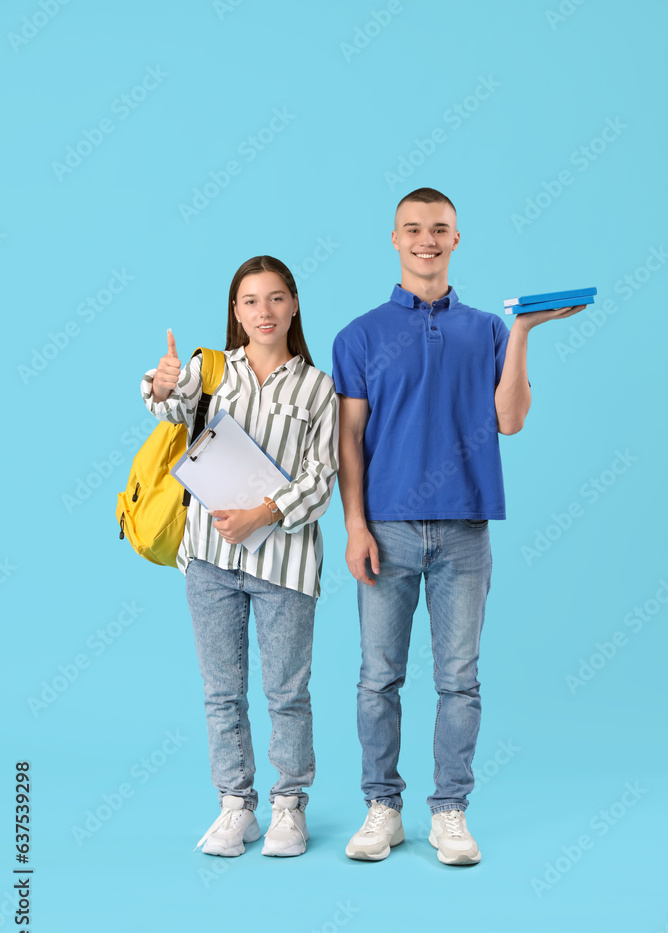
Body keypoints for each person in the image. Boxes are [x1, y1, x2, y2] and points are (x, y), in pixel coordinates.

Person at [332, 187, 587, 865]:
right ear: (394, 239)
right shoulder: (358, 335)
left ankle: (450, 813)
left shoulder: (488, 329)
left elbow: (511, 420)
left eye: (439, 229)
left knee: (459, 681)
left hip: (465, 531)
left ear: (456, 239)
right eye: (413, 229)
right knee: (377, 678)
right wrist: (354, 525)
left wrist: (525, 333)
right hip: (385, 528)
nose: (426, 239)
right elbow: (348, 440)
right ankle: (381, 807)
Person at [141, 255, 339, 858]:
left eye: (276, 299)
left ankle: (288, 807)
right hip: (209, 558)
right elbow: (169, 408)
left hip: (285, 564)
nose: (264, 312)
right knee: (221, 691)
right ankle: (235, 807)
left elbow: (322, 476)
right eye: (251, 301)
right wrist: (165, 382)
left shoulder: (318, 387)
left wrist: (265, 511)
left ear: (294, 305)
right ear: (236, 311)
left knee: (287, 692)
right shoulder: (214, 371)